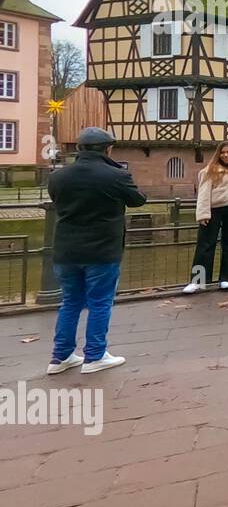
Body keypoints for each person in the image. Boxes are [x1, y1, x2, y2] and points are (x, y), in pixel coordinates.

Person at [45, 127, 147, 374]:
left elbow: (57, 200)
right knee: (100, 302)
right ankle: (95, 355)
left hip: (66, 249)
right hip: (102, 249)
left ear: (79, 148)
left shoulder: (59, 177)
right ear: (107, 149)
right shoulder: (115, 175)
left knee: (70, 302)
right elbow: (138, 199)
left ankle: (60, 357)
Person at [184, 142, 228, 293]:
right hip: (214, 210)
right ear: (218, 154)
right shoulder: (209, 170)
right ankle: (198, 280)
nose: (226, 155)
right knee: (205, 245)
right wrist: (203, 214)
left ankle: (226, 279)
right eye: (223, 152)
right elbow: (204, 193)